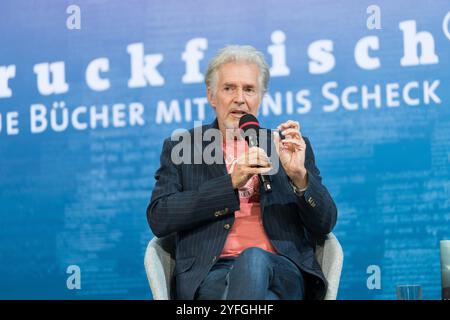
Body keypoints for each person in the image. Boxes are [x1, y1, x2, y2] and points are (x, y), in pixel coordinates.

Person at [147, 45, 337, 300]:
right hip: (211, 272)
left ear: (260, 96)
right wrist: (229, 184)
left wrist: (299, 178)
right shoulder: (183, 148)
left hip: (282, 269)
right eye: (229, 88)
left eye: (249, 89)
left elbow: (325, 223)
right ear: (211, 96)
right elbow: (160, 218)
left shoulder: (286, 146)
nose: (239, 98)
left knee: (253, 259)